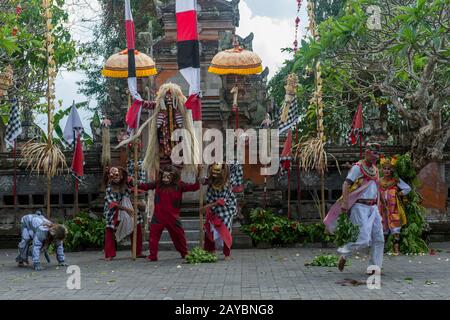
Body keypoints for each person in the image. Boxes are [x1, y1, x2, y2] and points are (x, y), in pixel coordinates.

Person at [324, 143, 384, 273]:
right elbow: (346, 184)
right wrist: (345, 203)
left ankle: (374, 267)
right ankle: (344, 255)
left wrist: (381, 204)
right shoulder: (357, 168)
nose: (375, 158)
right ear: (367, 153)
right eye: (373, 154)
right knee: (362, 239)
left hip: (373, 207)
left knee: (379, 238)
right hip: (359, 207)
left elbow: (377, 188)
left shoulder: (375, 169)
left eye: (377, 156)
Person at [138, 165, 200, 261]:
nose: (165, 179)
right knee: (153, 237)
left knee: (179, 236)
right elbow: (146, 186)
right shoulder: (158, 183)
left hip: (173, 217)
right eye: (164, 177)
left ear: (173, 177)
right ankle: (153, 255)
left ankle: (184, 253)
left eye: (168, 177)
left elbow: (195, 187)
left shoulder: (179, 185)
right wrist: (135, 183)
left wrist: (198, 177)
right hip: (158, 216)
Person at [103, 166, 144, 260]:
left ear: (121, 176)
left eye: (117, 175)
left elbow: (137, 185)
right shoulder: (109, 189)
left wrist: (135, 177)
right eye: (113, 176)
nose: (115, 178)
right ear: (109, 177)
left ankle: (137, 252)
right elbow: (113, 204)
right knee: (110, 229)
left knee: (136, 225)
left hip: (128, 208)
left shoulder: (126, 185)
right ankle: (109, 254)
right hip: (113, 212)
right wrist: (126, 209)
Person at [202, 163, 237, 261]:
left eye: (218, 172)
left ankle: (227, 254)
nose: (215, 174)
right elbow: (201, 180)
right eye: (214, 172)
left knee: (225, 231)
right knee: (210, 230)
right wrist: (199, 174)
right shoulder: (209, 181)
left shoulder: (228, 181)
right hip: (214, 209)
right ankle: (211, 251)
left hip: (226, 210)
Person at [379, 156, 411, 255]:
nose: (386, 171)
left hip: (394, 207)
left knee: (396, 228)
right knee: (382, 227)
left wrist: (398, 194)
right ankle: (381, 249)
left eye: (389, 169)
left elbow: (407, 188)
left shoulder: (396, 180)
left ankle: (396, 250)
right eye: (384, 168)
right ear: (382, 169)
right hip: (382, 207)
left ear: (392, 170)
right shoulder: (379, 180)